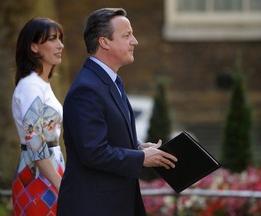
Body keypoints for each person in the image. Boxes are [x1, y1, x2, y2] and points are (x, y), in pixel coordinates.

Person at [57, 8, 178, 216]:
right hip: (94, 207)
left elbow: (107, 139)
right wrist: (140, 157)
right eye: (127, 35)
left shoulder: (113, 81)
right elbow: (94, 153)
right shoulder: (86, 89)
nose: (135, 41)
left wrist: (137, 147)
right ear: (105, 42)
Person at [11, 17, 65, 216]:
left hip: (50, 172)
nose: (60, 45)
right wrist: (61, 185)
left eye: (60, 39)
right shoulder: (31, 86)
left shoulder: (42, 86)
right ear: (33, 47)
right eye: (52, 39)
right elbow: (35, 141)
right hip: (35, 178)